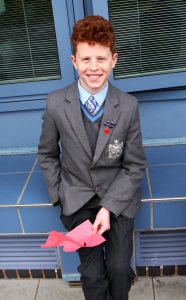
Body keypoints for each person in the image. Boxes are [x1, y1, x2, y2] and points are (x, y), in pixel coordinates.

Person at [38, 15, 146, 300]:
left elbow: (134, 165)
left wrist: (108, 207)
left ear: (114, 60)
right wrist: (61, 194)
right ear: (74, 61)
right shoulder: (55, 104)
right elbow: (47, 154)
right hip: (77, 199)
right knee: (93, 275)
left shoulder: (128, 106)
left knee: (119, 268)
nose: (94, 68)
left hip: (117, 198)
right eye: (86, 59)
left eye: (101, 59)